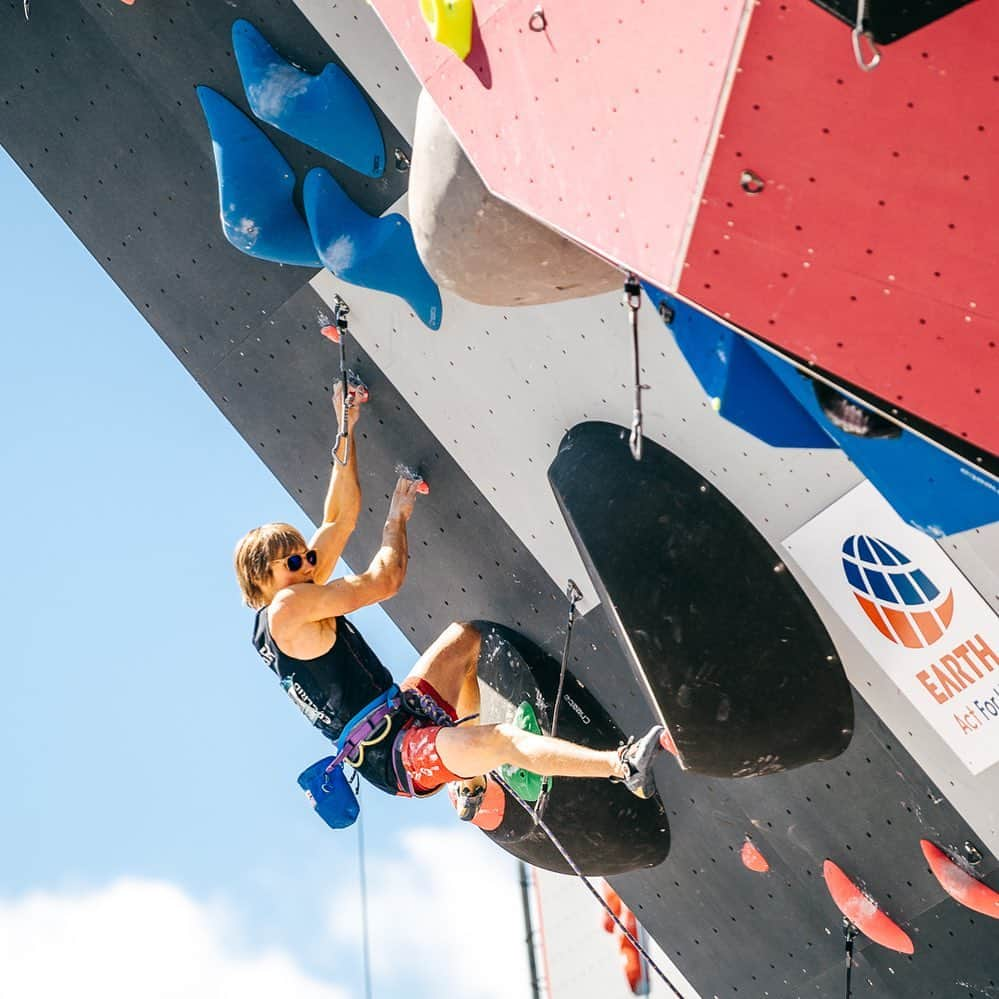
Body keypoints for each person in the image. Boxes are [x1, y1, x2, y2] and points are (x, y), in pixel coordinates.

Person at [233, 384, 666, 819]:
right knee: (500, 742)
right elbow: (384, 581)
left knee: (465, 640)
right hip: (396, 756)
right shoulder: (288, 608)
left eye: (307, 556)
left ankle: (470, 784)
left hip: (399, 711)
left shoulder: (291, 598)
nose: (309, 563)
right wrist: (395, 521)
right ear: (261, 578)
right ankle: (622, 764)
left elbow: (337, 519)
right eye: (294, 561)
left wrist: (345, 424)